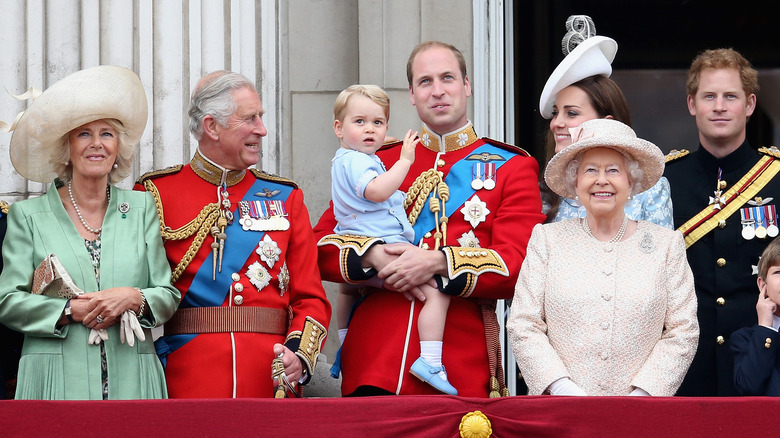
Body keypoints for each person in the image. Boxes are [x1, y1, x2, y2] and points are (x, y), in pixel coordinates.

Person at [314, 41, 545, 397]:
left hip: (457, 365)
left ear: (466, 86)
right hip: (373, 360)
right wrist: (371, 255)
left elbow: (518, 266)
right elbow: (320, 246)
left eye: (447, 78)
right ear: (411, 93)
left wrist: (437, 262)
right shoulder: (380, 160)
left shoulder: (511, 167)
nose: (437, 91)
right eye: (425, 81)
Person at [136, 71, 331, 398]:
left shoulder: (285, 197)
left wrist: (299, 354)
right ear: (212, 127)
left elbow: (310, 298)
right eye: (250, 119)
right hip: (188, 379)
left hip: (269, 380)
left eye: (261, 117)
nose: (262, 129)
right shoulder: (155, 193)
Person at [0, 65, 181, 400]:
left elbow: (167, 295)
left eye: (106, 134)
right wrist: (70, 311)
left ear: (118, 149)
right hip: (54, 380)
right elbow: (8, 302)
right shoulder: (29, 216)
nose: (96, 144)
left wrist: (134, 297)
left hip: (133, 377)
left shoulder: (142, 209)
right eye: (84, 134)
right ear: (66, 148)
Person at [507, 118, 699, 396]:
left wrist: (643, 395)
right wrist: (561, 388)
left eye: (613, 170)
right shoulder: (547, 240)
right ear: (575, 181)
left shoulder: (666, 245)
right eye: (590, 170)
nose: (601, 180)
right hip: (560, 411)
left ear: (631, 181)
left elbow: (683, 330)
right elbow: (523, 322)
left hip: (641, 414)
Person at [665, 48, 780, 396]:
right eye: (709, 96)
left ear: (749, 105)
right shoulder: (665, 180)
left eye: (730, 96)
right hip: (685, 363)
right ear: (691, 104)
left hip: (761, 357)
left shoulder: (775, 176)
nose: (719, 106)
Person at [330, 85, 455, 394]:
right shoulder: (364, 161)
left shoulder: (347, 157)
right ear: (338, 128)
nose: (370, 130)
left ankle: (345, 343)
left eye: (377, 123)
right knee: (437, 292)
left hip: (357, 240)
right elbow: (376, 192)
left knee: (348, 291)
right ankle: (431, 360)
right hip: (383, 243)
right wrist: (405, 160)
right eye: (359, 122)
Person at [539, 15, 673, 226]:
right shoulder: (544, 193)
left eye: (571, 113)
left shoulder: (650, 190)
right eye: (556, 113)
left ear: (607, 122)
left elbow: (661, 257)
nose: (556, 123)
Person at [732, 237, 780, 396]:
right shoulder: (745, 339)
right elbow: (749, 387)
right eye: (778, 272)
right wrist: (766, 328)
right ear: (762, 285)